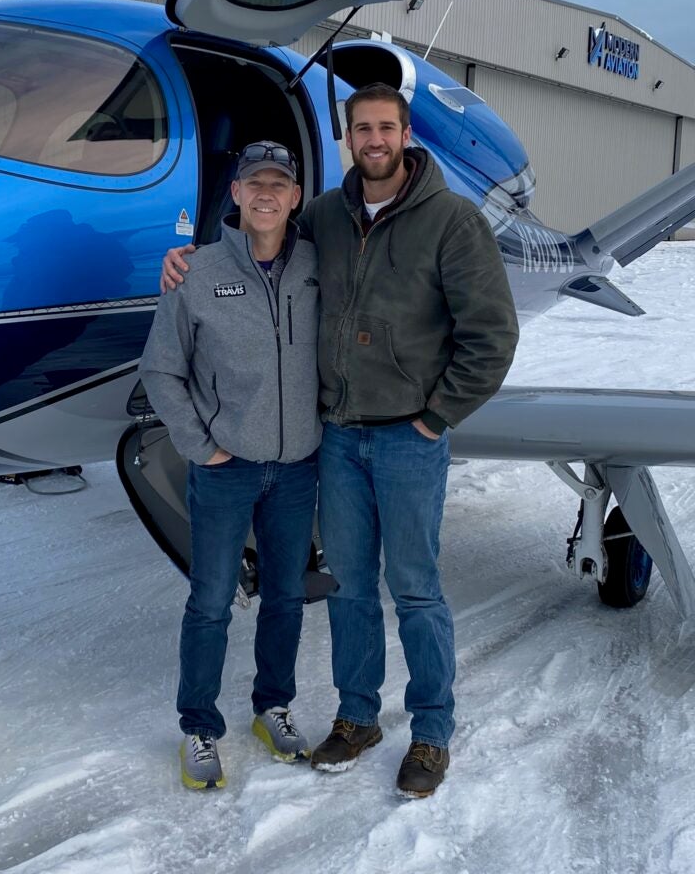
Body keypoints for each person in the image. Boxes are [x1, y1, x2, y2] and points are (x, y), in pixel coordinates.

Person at [161, 85, 519, 798]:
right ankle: (359, 716)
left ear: (406, 134)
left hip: (409, 440)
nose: (375, 139)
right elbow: (252, 250)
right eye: (363, 128)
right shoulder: (323, 215)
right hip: (339, 438)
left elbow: (492, 336)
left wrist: (435, 415)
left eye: (387, 127)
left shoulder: (451, 222)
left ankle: (431, 730)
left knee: (414, 588)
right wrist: (185, 261)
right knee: (352, 587)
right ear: (347, 137)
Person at [141, 141, 321, 790]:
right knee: (211, 601)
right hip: (224, 467)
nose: (268, 193)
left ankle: (273, 706)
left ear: (296, 197)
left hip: (298, 468)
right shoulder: (194, 272)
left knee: (288, 597)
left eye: (280, 183)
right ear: (237, 194)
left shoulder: (318, 268)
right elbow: (162, 370)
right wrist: (200, 444)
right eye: (255, 183)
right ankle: (199, 728)